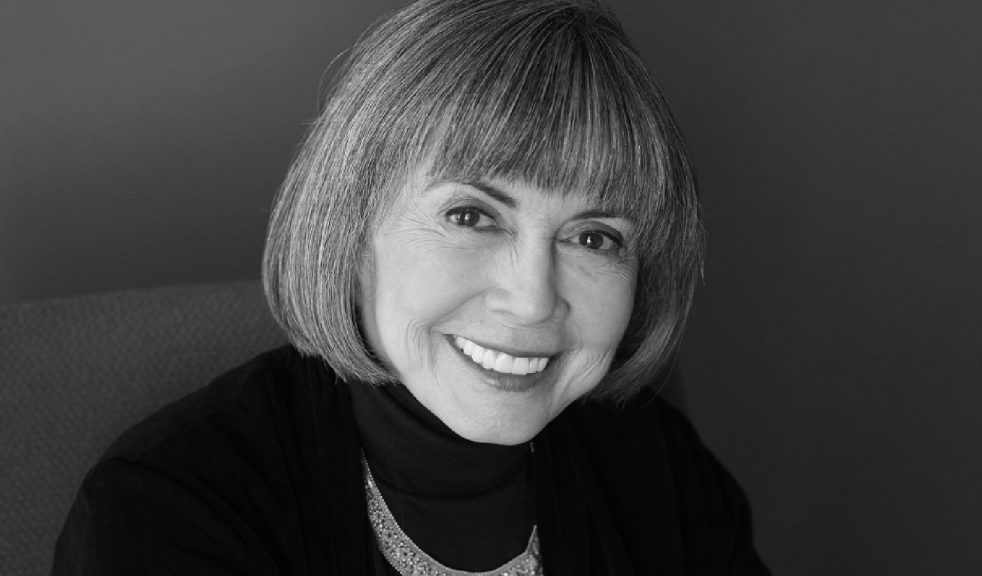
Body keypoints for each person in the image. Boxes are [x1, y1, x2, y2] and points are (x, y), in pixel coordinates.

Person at [53, 0, 771, 574]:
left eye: (593, 237)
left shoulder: (658, 467)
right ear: (352, 228)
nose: (532, 300)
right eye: (472, 215)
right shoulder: (167, 510)